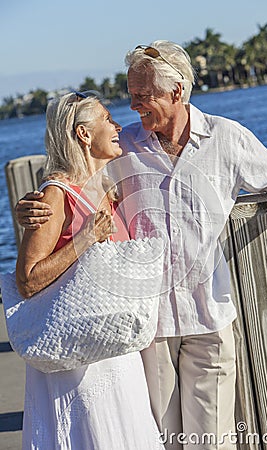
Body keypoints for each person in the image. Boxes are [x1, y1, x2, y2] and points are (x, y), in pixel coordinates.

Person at [16, 41, 267, 450]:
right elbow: (68, 179)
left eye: (142, 95)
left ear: (177, 91)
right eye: (130, 95)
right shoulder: (121, 145)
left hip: (209, 316)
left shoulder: (227, 137)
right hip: (147, 326)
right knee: (160, 440)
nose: (133, 106)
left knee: (211, 441)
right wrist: (34, 204)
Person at [15, 91, 164, 450]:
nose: (117, 127)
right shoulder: (55, 194)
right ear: (84, 134)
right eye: (108, 120)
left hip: (118, 350)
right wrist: (84, 238)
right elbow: (27, 280)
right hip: (77, 354)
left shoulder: (109, 188)